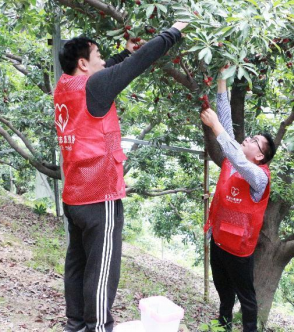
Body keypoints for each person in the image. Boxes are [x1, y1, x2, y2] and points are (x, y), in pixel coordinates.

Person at [54, 22, 188, 332]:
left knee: (77, 264)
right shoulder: (95, 87)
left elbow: (108, 71)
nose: (103, 60)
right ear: (84, 63)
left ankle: (75, 325)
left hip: (74, 193)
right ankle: (98, 327)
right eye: (98, 55)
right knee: (102, 269)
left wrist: (120, 53)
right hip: (100, 194)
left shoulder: (64, 87)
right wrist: (174, 31)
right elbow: (135, 66)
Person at [200, 67, 277, 332]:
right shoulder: (235, 160)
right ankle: (223, 327)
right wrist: (222, 80)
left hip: (240, 250)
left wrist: (216, 127)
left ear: (259, 156)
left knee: (246, 299)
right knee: (224, 293)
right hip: (220, 240)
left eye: (255, 141)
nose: (248, 138)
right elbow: (226, 122)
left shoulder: (258, 176)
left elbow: (231, 148)